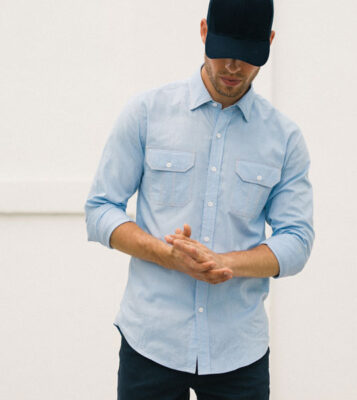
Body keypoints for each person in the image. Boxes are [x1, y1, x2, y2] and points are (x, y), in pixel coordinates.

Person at [84, 0, 314, 398]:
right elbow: (100, 209)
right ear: (204, 31)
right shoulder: (147, 113)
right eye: (224, 51)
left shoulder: (285, 138)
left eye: (248, 55)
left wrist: (227, 263)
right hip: (151, 342)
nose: (233, 67)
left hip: (238, 352)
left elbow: (297, 239)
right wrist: (166, 254)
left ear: (270, 42)